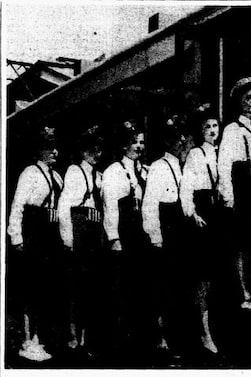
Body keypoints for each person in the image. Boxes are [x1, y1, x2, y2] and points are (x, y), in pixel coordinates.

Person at [7, 126, 63, 361]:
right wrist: (16, 235)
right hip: (33, 233)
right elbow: (18, 205)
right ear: (39, 149)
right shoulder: (30, 172)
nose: (55, 152)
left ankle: (40, 339)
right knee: (31, 288)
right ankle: (27, 341)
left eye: (55, 147)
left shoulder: (57, 176)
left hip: (50, 234)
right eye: (49, 147)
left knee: (45, 288)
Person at [101, 119, 149, 353]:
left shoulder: (144, 170)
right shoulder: (114, 171)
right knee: (123, 289)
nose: (138, 146)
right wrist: (114, 238)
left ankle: (140, 339)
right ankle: (120, 343)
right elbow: (110, 207)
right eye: (133, 142)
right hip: (124, 235)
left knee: (141, 288)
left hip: (140, 235)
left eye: (141, 142)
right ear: (123, 146)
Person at [218, 77, 251, 311]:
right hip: (242, 192)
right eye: (249, 98)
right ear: (239, 101)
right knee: (242, 245)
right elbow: (225, 166)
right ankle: (244, 293)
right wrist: (229, 199)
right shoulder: (233, 130)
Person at [57, 125, 104, 354]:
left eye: (99, 149)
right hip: (80, 233)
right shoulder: (75, 172)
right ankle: (74, 338)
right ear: (84, 150)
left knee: (91, 287)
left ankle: (88, 338)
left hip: (94, 234)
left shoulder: (99, 175)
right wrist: (68, 239)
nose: (97, 153)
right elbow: (65, 206)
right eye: (93, 149)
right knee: (77, 287)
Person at [142, 120, 186, 356]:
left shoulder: (182, 167)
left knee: (178, 287)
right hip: (165, 231)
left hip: (179, 231)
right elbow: (150, 204)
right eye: (176, 137)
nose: (181, 141)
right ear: (168, 141)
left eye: (182, 137)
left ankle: (177, 337)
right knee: (163, 287)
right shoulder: (159, 167)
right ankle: (161, 340)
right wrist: (155, 236)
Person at [180, 109, 220, 354]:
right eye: (208, 127)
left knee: (217, 276)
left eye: (215, 126)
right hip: (203, 211)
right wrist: (192, 213)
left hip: (219, 212)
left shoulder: (221, 152)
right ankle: (203, 334)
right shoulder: (196, 154)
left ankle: (215, 331)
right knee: (202, 278)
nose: (213, 131)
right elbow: (187, 187)